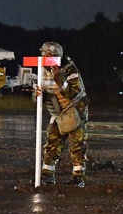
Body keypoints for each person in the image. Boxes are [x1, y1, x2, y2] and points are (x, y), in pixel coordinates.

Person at [34, 41, 88, 187]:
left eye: (48, 56)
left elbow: (72, 92)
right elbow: (38, 93)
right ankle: (47, 176)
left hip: (74, 109)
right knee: (52, 142)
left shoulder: (70, 69)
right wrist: (38, 94)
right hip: (57, 111)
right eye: (44, 55)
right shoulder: (41, 70)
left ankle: (78, 178)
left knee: (76, 144)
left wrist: (59, 78)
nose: (45, 58)